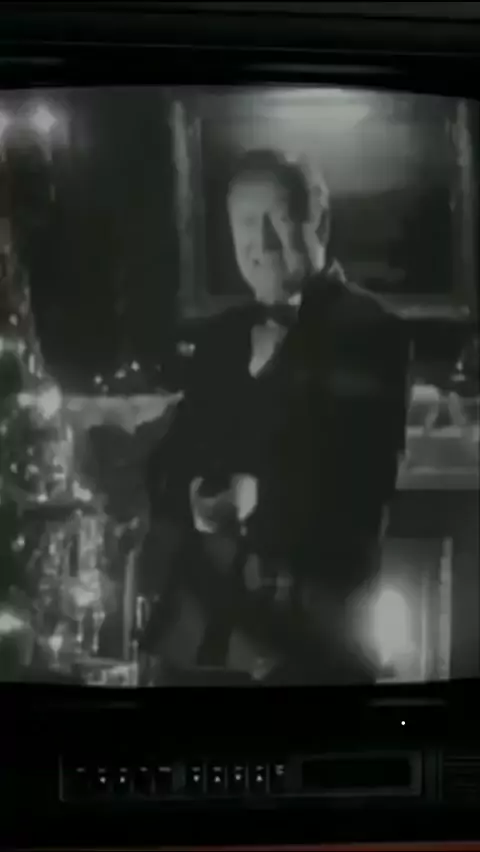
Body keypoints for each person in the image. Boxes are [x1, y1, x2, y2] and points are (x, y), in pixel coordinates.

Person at [140, 148, 409, 685]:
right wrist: (191, 498)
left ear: (320, 223)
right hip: (197, 638)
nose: (260, 243)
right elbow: (169, 464)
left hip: (311, 641)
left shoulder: (374, 332)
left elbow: (361, 488)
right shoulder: (220, 338)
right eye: (245, 223)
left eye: (278, 220)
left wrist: (250, 495)